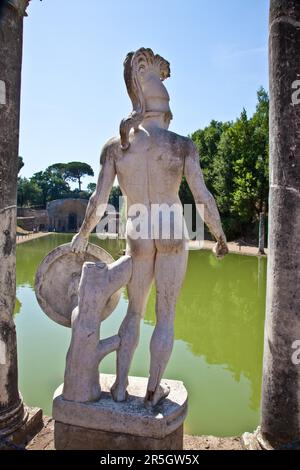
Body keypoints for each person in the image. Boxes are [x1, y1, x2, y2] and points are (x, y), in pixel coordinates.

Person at [71, 48, 228, 407]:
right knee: (166, 314)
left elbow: (98, 201)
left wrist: (83, 234)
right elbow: (202, 198)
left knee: (134, 313)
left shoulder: (117, 146)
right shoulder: (180, 145)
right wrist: (219, 236)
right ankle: (154, 390)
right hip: (172, 226)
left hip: (138, 227)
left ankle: (122, 386)